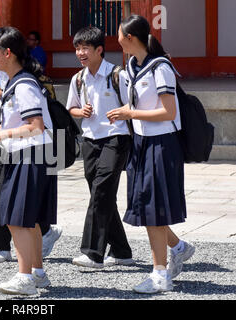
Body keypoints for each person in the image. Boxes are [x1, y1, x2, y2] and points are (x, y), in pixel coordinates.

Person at [106, 15, 195, 293]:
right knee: (145, 207)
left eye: (119, 35)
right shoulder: (132, 67)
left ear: (130, 38)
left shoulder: (160, 68)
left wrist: (129, 113)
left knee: (154, 211)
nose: (117, 39)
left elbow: (168, 112)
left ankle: (160, 275)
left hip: (162, 144)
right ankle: (178, 248)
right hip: (142, 143)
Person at [0, 27, 57, 296]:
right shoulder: (17, 82)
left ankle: (25, 278)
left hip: (29, 155)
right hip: (27, 154)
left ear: (7, 53)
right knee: (27, 219)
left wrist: (3, 133)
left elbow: (36, 125)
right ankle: (37, 273)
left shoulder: (23, 84)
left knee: (17, 219)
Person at [0, 65, 62, 264]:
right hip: (7, 140)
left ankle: (26, 265)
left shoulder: (26, 78)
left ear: (9, 52)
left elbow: (33, 119)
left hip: (34, 145)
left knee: (20, 204)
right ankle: (8, 250)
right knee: (7, 195)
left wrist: (0, 94)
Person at [66, 27, 134, 270]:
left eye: (85, 48)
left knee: (101, 191)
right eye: (77, 48)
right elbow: (71, 108)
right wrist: (80, 111)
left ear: (99, 50)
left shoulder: (118, 75)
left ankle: (93, 253)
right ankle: (122, 251)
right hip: (90, 139)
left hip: (116, 138)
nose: (80, 53)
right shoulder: (78, 78)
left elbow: (133, 106)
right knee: (102, 195)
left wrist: (122, 112)